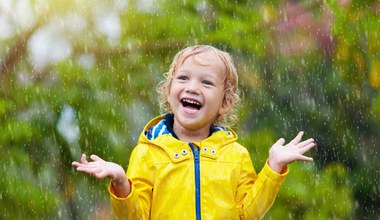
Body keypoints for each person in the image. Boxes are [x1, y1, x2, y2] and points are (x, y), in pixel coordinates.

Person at [72, 45, 315, 219]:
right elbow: (135, 217)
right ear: (169, 91)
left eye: (206, 82)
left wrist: (273, 167)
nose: (192, 88)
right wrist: (122, 182)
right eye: (184, 78)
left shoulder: (236, 155)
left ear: (225, 102)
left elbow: (249, 213)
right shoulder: (147, 153)